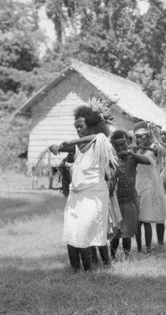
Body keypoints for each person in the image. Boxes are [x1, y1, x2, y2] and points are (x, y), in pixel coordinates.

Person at [49, 99, 119, 272]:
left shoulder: (101, 142)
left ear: (93, 126)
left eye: (81, 126)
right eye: (76, 127)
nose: (78, 130)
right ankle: (75, 270)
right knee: (71, 231)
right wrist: (54, 147)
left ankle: (89, 270)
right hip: (76, 196)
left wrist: (69, 142)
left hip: (94, 195)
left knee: (84, 231)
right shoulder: (77, 147)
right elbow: (59, 149)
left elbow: (98, 137)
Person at [109, 130, 151, 259]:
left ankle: (127, 256)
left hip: (130, 200)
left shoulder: (132, 158)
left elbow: (147, 161)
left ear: (128, 143)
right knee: (116, 232)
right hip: (116, 201)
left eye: (124, 144)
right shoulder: (112, 160)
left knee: (127, 232)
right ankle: (113, 256)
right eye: (118, 145)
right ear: (113, 146)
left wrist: (131, 152)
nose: (121, 147)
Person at [132, 121, 166, 253]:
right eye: (138, 137)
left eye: (143, 136)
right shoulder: (136, 149)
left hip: (150, 186)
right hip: (137, 185)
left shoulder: (154, 147)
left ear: (149, 136)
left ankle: (148, 247)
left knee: (146, 219)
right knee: (137, 220)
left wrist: (155, 145)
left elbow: (160, 151)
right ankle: (139, 247)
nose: (140, 139)